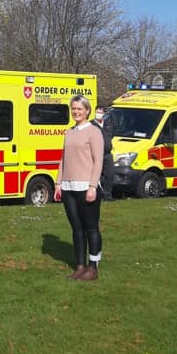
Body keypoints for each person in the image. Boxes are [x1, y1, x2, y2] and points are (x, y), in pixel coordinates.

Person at [55, 95, 104, 281]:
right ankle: (80, 265)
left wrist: (92, 186)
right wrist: (58, 183)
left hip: (86, 186)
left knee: (91, 227)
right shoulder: (69, 132)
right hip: (68, 187)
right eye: (73, 108)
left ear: (87, 111)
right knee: (76, 228)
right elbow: (63, 158)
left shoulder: (93, 132)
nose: (76, 112)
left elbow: (98, 161)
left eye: (79, 109)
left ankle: (93, 267)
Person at [92, 105, 115, 201]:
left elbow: (111, 135)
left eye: (101, 112)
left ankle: (107, 195)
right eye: (97, 112)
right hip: (96, 154)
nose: (99, 114)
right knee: (95, 175)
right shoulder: (91, 125)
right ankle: (96, 195)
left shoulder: (108, 124)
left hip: (107, 154)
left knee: (110, 174)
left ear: (104, 114)